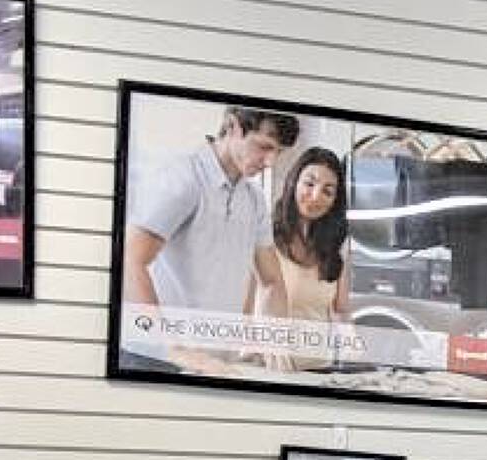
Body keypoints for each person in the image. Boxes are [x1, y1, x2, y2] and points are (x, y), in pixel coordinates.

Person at [118, 105, 298, 367]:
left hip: (215, 364)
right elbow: (130, 260)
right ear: (233, 126)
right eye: (264, 146)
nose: (270, 161)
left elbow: (271, 281)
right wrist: (171, 349)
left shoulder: (254, 199)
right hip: (156, 361)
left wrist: (273, 341)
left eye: (278, 152)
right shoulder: (183, 177)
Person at [246, 146, 350, 371]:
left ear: (335, 200)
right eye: (309, 184)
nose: (316, 196)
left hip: (319, 369)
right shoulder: (265, 239)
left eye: (328, 191)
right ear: (294, 182)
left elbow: (340, 311)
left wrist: (353, 353)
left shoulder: (336, 248)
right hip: (269, 366)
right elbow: (244, 308)